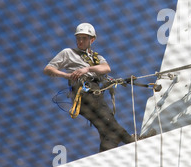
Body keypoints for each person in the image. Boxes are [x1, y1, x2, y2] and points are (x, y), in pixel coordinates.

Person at [43, 23, 134, 152]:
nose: (80, 41)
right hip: (84, 93)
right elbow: (48, 69)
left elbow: (106, 68)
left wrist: (87, 69)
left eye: (84, 38)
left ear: (92, 40)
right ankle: (132, 142)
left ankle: (105, 156)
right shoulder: (68, 53)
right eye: (78, 38)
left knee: (107, 131)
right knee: (110, 123)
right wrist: (66, 75)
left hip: (95, 92)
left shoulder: (96, 58)